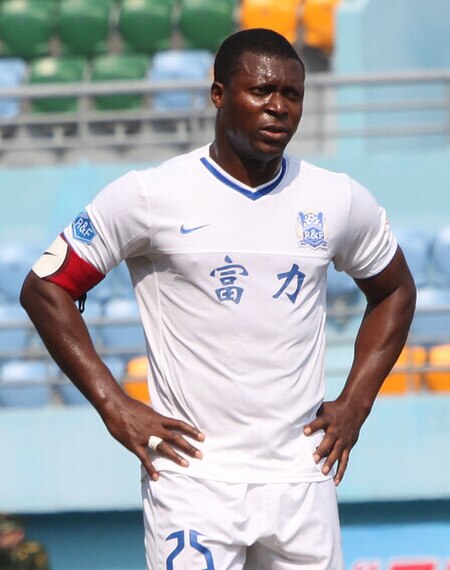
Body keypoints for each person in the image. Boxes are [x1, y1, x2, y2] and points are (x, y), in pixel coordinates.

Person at [20, 28, 416, 569]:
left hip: (300, 478)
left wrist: (356, 404)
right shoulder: (150, 194)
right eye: (260, 91)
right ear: (219, 94)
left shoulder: (337, 198)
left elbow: (394, 289)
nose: (278, 108)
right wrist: (114, 406)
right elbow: (46, 287)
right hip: (192, 478)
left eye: (292, 95)